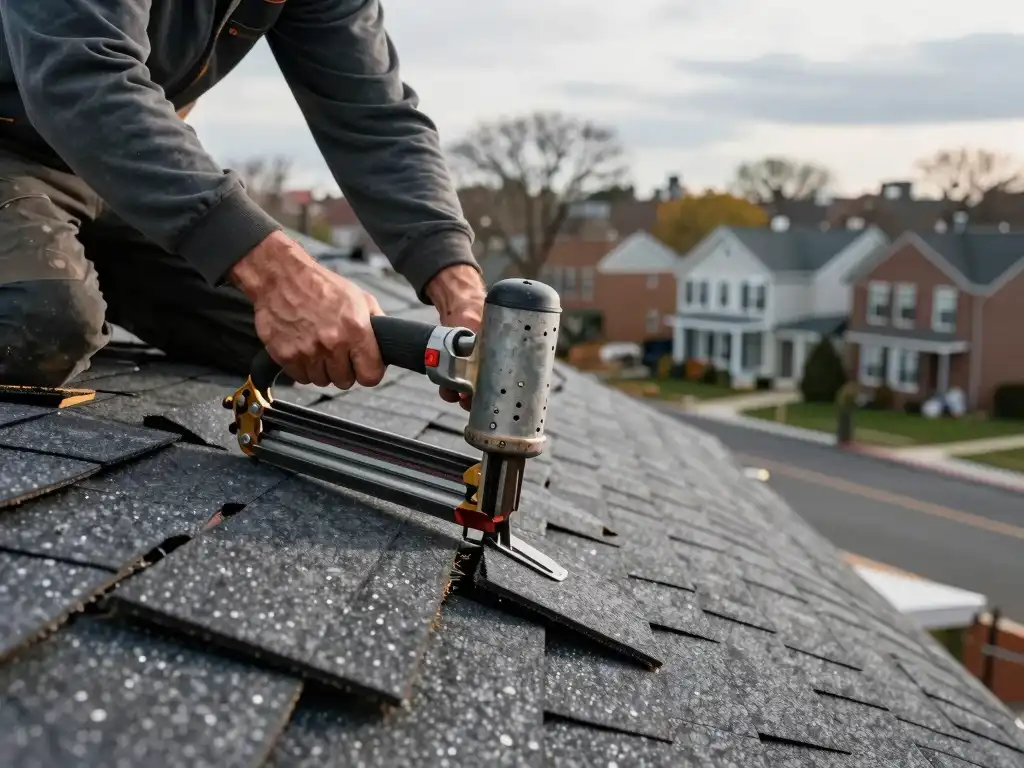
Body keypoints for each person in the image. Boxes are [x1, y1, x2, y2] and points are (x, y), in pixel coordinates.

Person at [0, 0, 484, 410]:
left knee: (290, 338)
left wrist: (461, 288)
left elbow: (375, 121)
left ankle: (55, 261)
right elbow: (82, 74)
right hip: (18, 146)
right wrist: (279, 274)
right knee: (40, 322)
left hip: (108, 165)